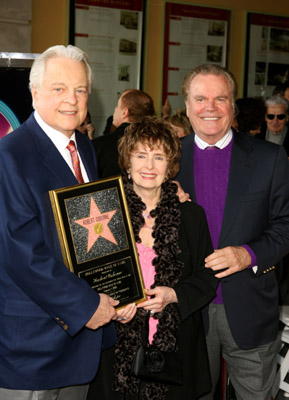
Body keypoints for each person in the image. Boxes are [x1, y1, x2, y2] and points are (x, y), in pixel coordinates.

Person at [0, 45, 118, 400]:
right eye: (59, 88)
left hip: (78, 341)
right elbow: (21, 253)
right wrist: (87, 306)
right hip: (35, 347)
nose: (72, 99)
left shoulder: (83, 147)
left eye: (80, 89)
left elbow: (89, 232)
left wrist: (116, 289)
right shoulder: (10, 155)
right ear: (34, 93)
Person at [177, 63, 289, 400]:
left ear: (233, 105)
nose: (209, 107)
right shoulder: (166, 160)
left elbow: (285, 224)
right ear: (186, 106)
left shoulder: (271, 158)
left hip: (250, 308)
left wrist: (248, 254)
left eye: (220, 98)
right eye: (200, 98)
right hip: (188, 312)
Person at [87, 116, 217, 400]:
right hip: (114, 347)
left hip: (174, 350)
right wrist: (111, 305)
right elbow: (86, 276)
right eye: (141, 155)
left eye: (159, 157)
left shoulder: (192, 217)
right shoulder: (103, 213)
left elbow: (207, 278)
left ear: (170, 166)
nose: (149, 166)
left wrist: (174, 294)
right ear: (127, 161)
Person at [92, 89, 155, 178]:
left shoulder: (99, 145)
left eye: (117, 106)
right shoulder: (157, 144)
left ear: (125, 112)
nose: (115, 109)